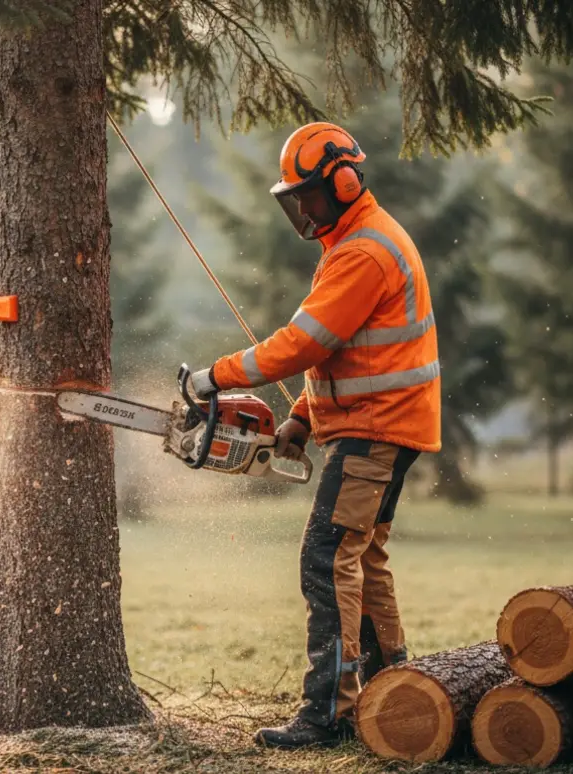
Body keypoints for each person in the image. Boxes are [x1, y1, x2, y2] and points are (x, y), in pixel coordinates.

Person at [184, 122, 441, 749]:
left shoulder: (362, 252)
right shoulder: (353, 240)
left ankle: (329, 712)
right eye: (294, 197)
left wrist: (213, 378)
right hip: (380, 426)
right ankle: (390, 687)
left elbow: (306, 342)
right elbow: (341, 352)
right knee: (361, 557)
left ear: (344, 183)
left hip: (376, 431)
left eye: (310, 195)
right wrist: (301, 416)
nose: (302, 208)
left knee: (325, 559)